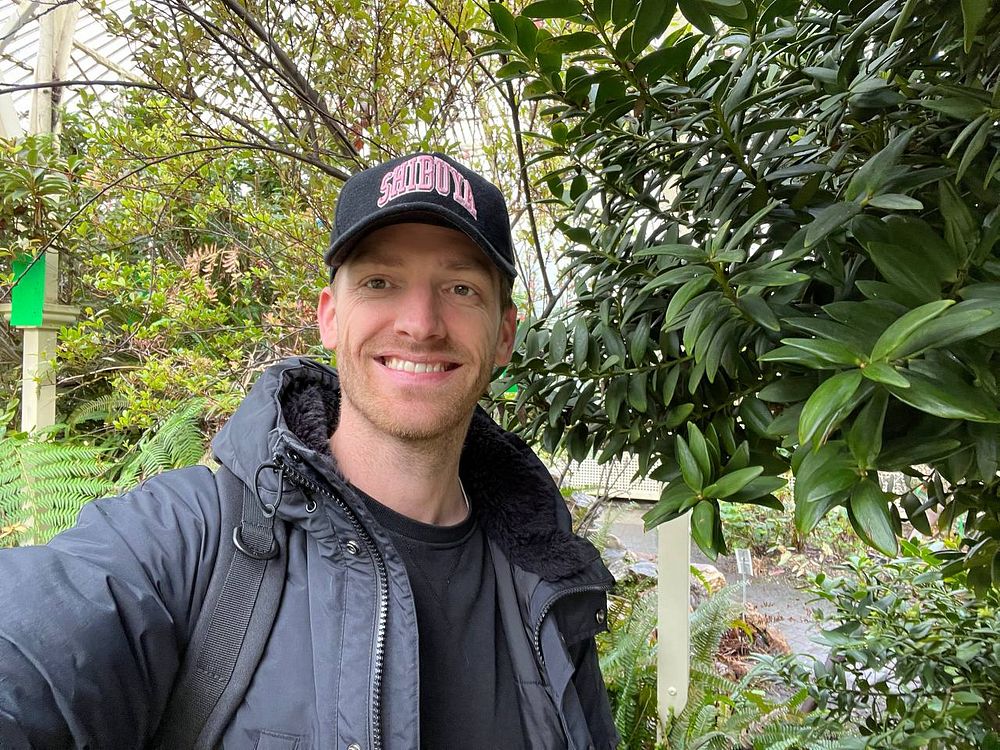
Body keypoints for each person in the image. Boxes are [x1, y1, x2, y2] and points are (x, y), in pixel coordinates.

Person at [0, 152, 619, 749]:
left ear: (505, 334)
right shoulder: (190, 542)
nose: (421, 323)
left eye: (460, 288)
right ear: (330, 318)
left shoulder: (545, 585)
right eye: (380, 282)